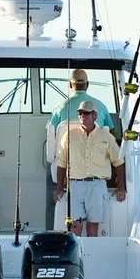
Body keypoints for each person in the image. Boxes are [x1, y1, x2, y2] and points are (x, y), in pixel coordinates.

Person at [52, 100, 125, 237]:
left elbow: (118, 162)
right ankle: (76, 256)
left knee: (93, 224)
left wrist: (121, 187)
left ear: (94, 115)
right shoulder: (68, 135)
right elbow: (61, 163)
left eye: (86, 113)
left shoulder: (106, 136)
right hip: (74, 185)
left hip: (97, 185)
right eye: (80, 113)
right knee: (75, 224)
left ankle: (91, 256)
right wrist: (59, 188)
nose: (82, 116)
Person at [47, 68, 114, 133]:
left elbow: (51, 133)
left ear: (70, 84)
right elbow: (111, 132)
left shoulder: (59, 107)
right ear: (87, 85)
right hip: (95, 144)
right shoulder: (101, 106)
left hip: (66, 144)